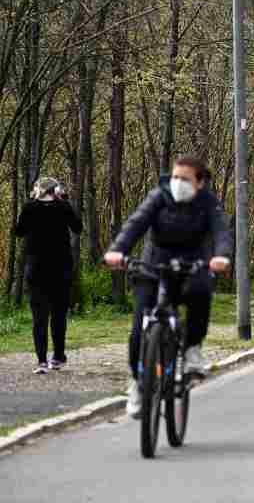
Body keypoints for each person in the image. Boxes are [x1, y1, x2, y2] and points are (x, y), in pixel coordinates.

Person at [105, 156, 232, 418]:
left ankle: (193, 350)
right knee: (139, 328)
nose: (177, 183)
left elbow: (221, 231)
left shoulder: (207, 202)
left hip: (191, 265)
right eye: (175, 177)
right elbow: (135, 223)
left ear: (199, 183)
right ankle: (138, 384)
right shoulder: (159, 197)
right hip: (154, 265)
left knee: (200, 292)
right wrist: (118, 250)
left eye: (184, 179)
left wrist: (221, 256)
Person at [15, 177, 82, 373]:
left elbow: (19, 232)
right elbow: (78, 228)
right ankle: (58, 358)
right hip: (61, 270)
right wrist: (64, 200)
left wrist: (31, 204)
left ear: (38, 190)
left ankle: (41, 361)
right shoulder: (64, 207)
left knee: (39, 317)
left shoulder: (29, 208)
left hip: (36, 270)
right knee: (58, 316)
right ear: (55, 191)